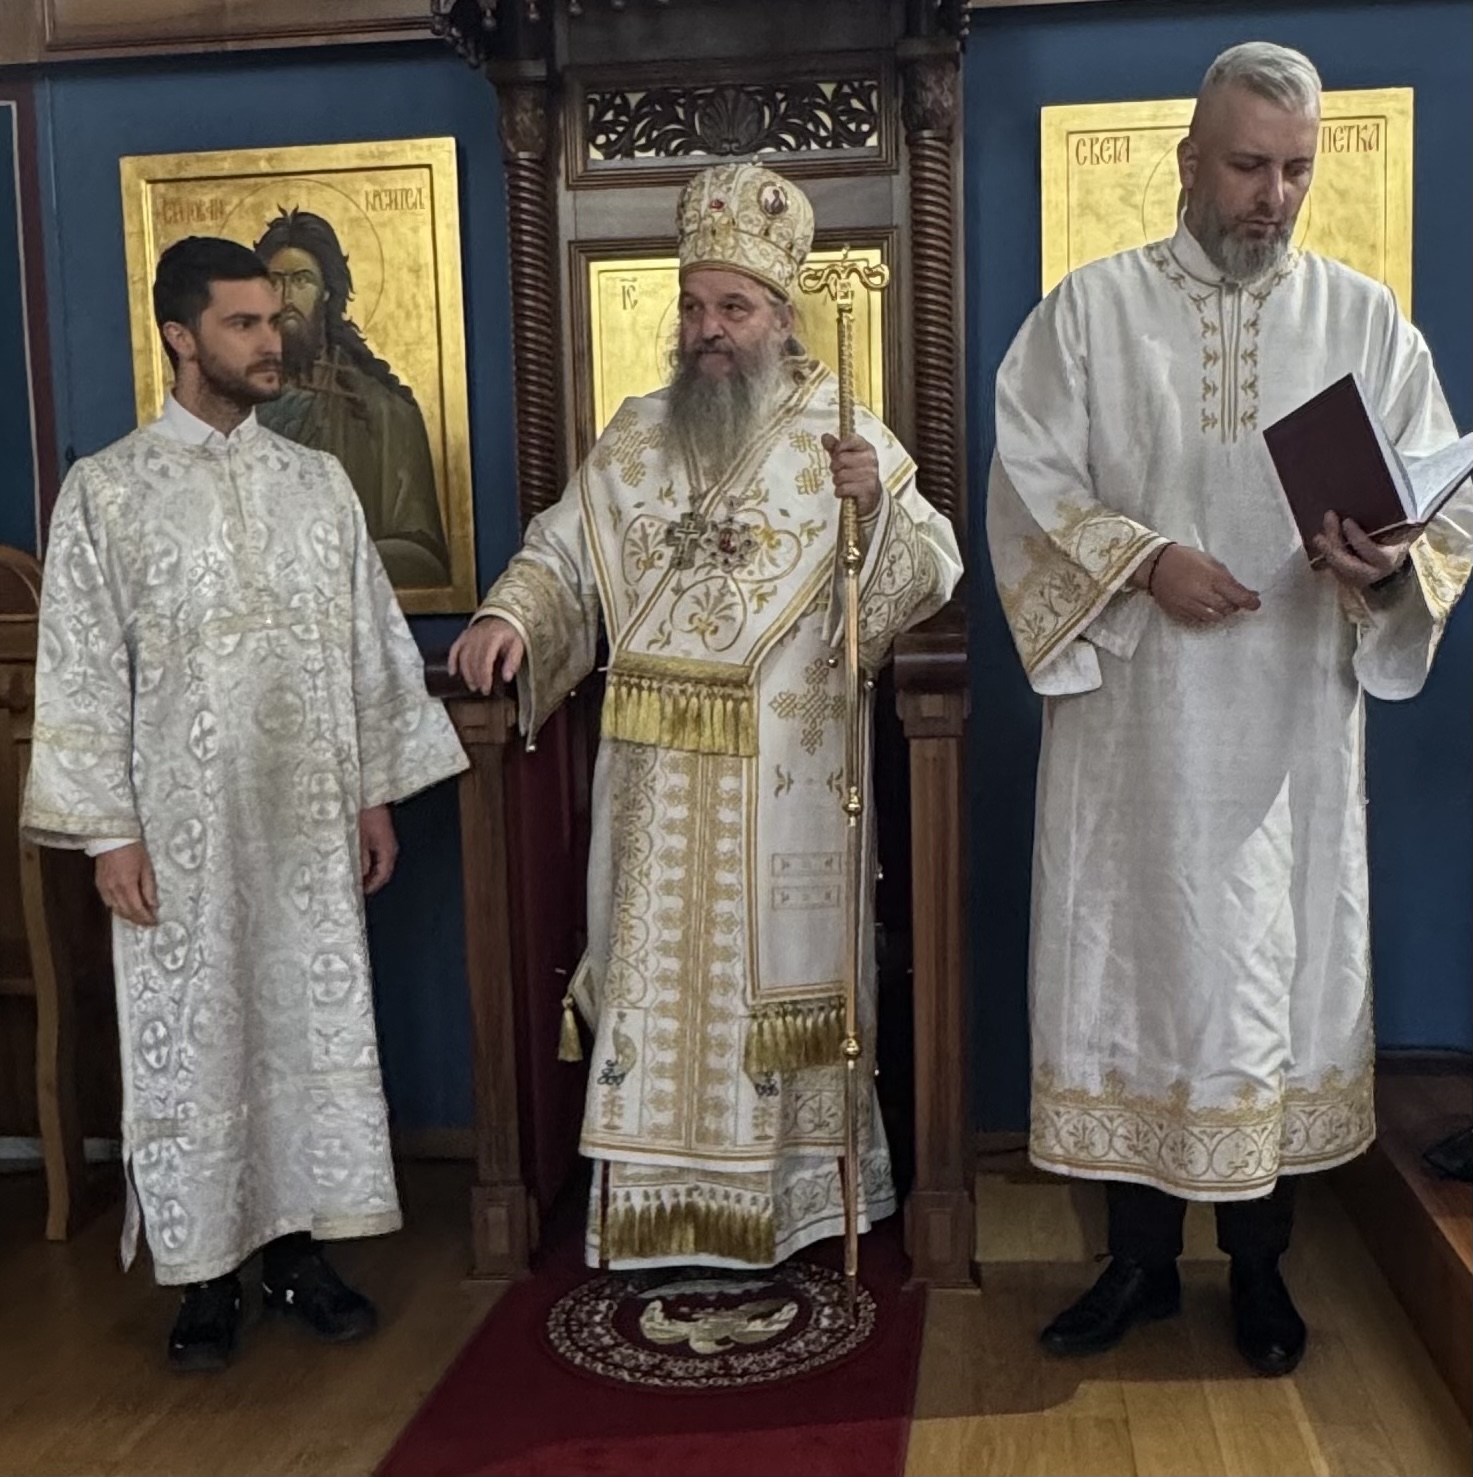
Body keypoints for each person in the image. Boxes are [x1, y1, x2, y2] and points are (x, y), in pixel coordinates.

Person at [987, 41, 1473, 1377]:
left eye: (1297, 171)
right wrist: (1147, 561)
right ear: (1190, 160)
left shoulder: (1364, 320)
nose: (1274, 197)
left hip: (1287, 729)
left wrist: (1387, 565)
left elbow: (1443, 505)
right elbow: (1029, 479)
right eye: (1250, 166)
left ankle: (1260, 1270)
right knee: (1134, 972)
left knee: (1267, 975)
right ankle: (1137, 1265)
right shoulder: (1088, 314)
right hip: (1136, 729)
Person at [450, 161, 962, 1271]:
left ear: (782, 316)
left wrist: (874, 509)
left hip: (786, 777)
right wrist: (511, 617)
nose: (707, 330)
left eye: (732, 307)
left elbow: (928, 569)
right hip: (654, 782)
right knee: (658, 986)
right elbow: (562, 557)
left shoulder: (844, 437)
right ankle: (655, 1212)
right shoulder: (636, 436)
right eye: (692, 306)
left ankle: (793, 1204)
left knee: (767, 992)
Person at [22, 236, 468, 1371]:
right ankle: (205, 1275)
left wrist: (372, 796)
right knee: (197, 1039)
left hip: (304, 823)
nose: (274, 341)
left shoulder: (316, 482)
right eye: (245, 324)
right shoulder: (109, 491)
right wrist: (108, 832)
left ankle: (299, 1255)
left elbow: (367, 644)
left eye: (276, 319)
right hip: (178, 833)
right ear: (181, 336)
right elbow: (80, 670)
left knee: (302, 1024)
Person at [253, 209, 451, 588]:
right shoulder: (233, 410)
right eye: (274, 281)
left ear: (327, 291)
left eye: (302, 280)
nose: (287, 296)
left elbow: (426, 561)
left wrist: (321, 559)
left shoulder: (384, 412)